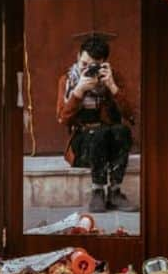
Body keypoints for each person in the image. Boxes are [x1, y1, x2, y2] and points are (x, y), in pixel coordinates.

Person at [55, 32, 134, 214]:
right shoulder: (68, 80)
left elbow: (130, 115)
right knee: (97, 133)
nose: (87, 70)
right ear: (77, 57)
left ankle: (115, 191)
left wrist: (112, 87)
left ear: (104, 63)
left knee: (122, 130)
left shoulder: (112, 77)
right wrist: (79, 91)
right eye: (84, 64)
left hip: (109, 142)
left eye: (94, 67)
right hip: (83, 145)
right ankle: (97, 190)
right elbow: (62, 119)